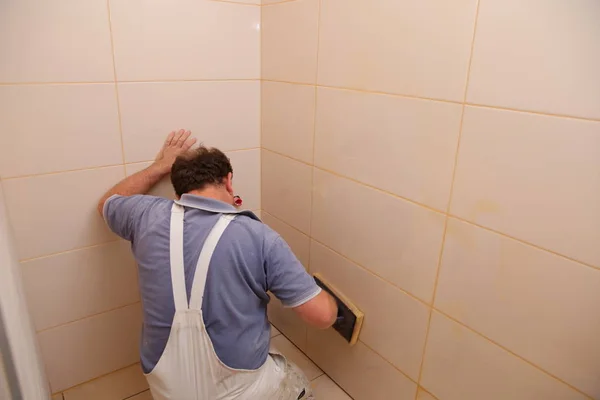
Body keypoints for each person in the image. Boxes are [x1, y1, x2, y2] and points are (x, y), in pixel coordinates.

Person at [98, 129, 338, 400]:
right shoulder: (258, 237)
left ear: (178, 188)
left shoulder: (145, 215)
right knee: (296, 381)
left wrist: (159, 166)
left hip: (167, 387)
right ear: (229, 181)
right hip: (241, 390)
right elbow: (322, 317)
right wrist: (328, 300)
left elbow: (107, 202)